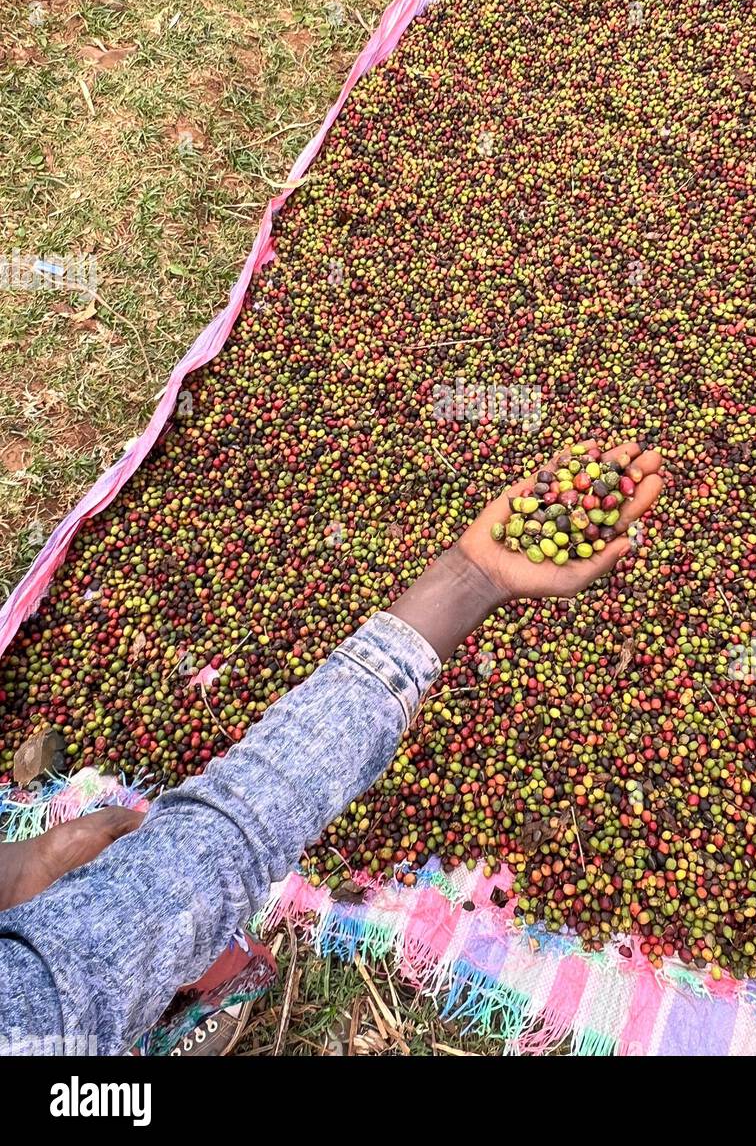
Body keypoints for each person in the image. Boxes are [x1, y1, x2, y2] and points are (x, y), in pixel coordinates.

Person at [0, 441, 663, 1056]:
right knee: (138, 942)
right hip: (57, 997)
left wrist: (27, 868)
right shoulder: (44, 1012)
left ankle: (158, 981)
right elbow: (222, 838)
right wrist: (465, 581)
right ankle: (161, 999)